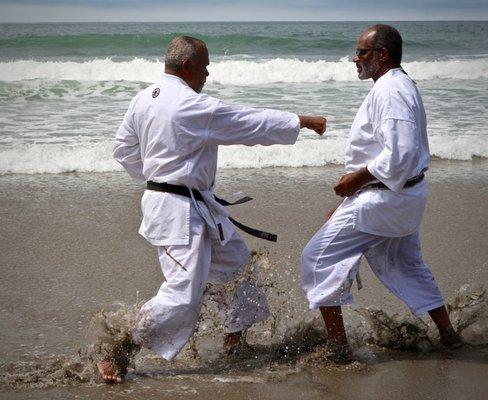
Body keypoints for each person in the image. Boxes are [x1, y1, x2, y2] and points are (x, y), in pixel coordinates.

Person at [100, 35, 326, 383]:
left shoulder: (143, 98)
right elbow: (248, 122)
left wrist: (158, 178)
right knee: (183, 295)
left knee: (238, 271)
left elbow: (123, 149)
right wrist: (302, 121)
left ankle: (234, 347)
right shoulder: (191, 105)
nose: (208, 73)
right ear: (188, 66)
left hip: (191, 205)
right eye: (204, 66)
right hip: (177, 213)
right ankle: (120, 347)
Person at [300, 24, 461, 363]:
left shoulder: (391, 90)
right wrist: (348, 199)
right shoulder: (399, 84)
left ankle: (339, 349)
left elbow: (399, 154)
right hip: (402, 199)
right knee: (405, 264)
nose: (354, 59)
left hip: (383, 201)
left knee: (317, 259)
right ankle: (448, 335)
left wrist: (354, 182)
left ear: (381, 55)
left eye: (361, 52)